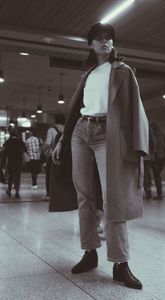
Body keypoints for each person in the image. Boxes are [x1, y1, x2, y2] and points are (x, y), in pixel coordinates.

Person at [52, 23, 149, 289]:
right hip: (81, 132)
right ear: (90, 44)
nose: (104, 42)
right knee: (85, 196)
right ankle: (90, 252)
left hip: (109, 134)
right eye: (98, 38)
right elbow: (75, 111)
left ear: (113, 44)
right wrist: (62, 138)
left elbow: (135, 108)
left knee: (113, 198)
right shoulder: (88, 74)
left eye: (109, 38)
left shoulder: (123, 71)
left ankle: (120, 263)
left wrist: (139, 145)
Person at [41, 114, 65, 201]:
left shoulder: (51, 129)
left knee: (49, 176)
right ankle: (62, 194)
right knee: (62, 176)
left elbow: (48, 143)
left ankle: (49, 195)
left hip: (53, 156)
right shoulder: (66, 129)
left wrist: (42, 148)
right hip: (65, 157)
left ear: (55, 121)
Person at [3, 128, 26, 198]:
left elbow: (4, 153)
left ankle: (9, 191)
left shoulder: (7, 142)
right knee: (18, 177)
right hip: (18, 161)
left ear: (10, 134)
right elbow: (25, 150)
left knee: (11, 176)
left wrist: (3, 163)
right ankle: (17, 192)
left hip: (10, 161)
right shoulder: (20, 141)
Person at [150, 121, 165, 200]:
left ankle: (159, 195)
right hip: (163, 158)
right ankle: (159, 194)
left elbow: (152, 145)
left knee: (157, 177)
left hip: (156, 158)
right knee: (157, 176)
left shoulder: (153, 135)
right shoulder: (162, 134)